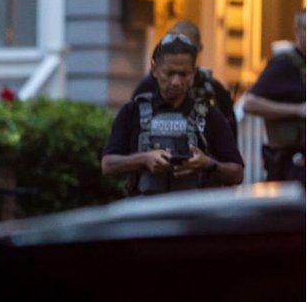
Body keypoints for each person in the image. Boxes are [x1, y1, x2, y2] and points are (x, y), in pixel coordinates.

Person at [102, 34, 244, 195]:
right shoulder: (132, 112)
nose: (176, 82)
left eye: (183, 74)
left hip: (193, 213)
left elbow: (237, 173)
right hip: (145, 213)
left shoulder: (209, 115)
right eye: (169, 73)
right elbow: (108, 165)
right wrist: (144, 159)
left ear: (193, 74)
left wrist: (207, 163)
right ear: (154, 69)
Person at [132, 20, 238, 137]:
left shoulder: (212, 89)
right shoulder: (148, 86)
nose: (175, 82)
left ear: (199, 49)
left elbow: (230, 138)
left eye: (185, 45)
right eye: (171, 42)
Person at [243, 9, 306, 183]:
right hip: (291, 161)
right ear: (298, 31)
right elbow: (249, 103)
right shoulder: (284, 64)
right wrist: (297, 110)